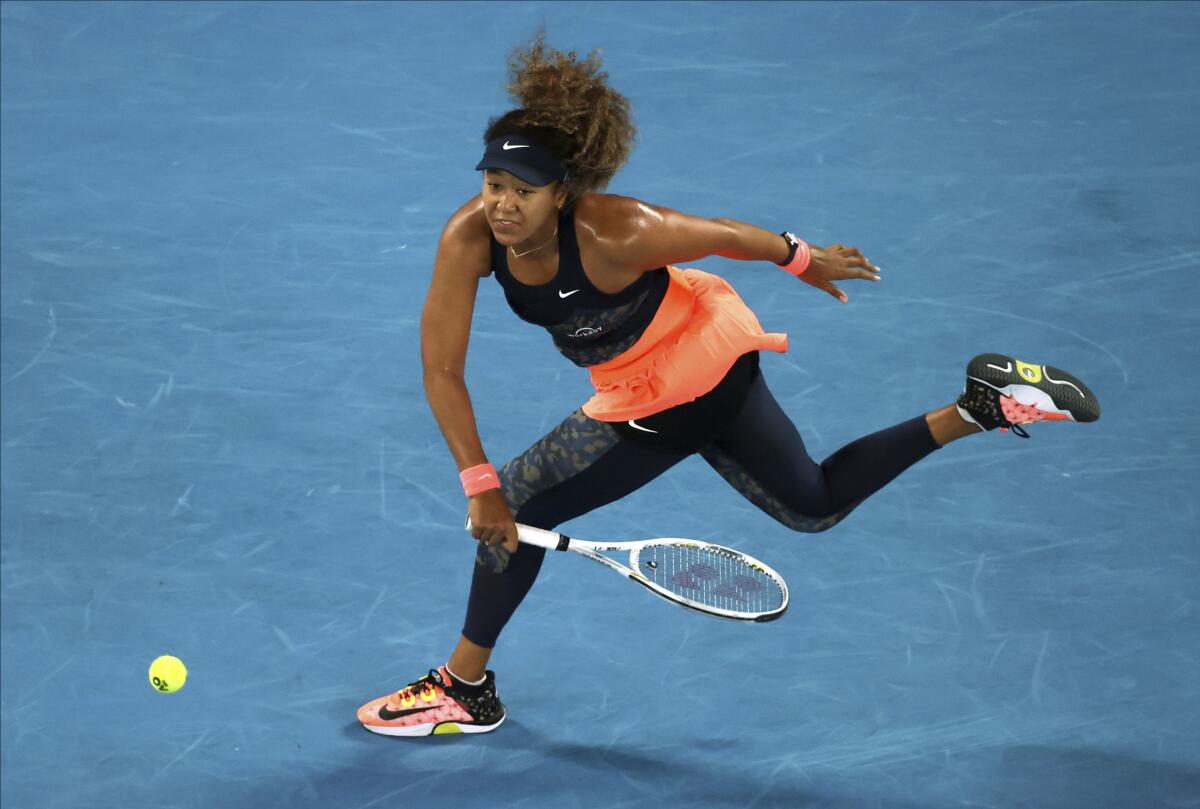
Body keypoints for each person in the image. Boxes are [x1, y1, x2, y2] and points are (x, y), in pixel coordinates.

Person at [356, 35, 1100, 737]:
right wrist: (474, 476)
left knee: (517, 503)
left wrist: (805, 259)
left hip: (666, 392)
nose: (503, 205)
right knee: (811, 501)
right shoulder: (470, 236)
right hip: (716, 362)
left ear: (564, 193)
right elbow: (441, 368)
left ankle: (463, 687)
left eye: (524, 190)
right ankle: (983, 405)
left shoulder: (619, 232)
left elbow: (720, 233)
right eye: (492, 185)